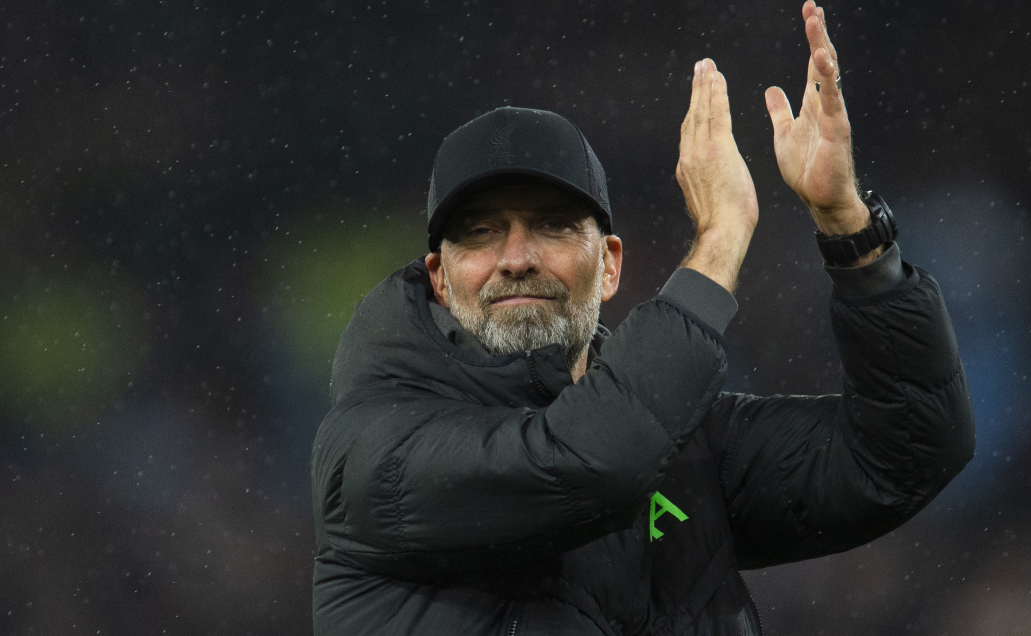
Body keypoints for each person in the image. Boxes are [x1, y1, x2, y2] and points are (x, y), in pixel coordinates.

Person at [310, 2, 975, 634]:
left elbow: (907, 453)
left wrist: (850, 229)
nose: (516, 258)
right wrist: (720, 238)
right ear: (438, 277)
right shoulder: (372, 448)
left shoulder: (684, 443)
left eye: (552, 226)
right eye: (481, 233)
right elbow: (589, 464)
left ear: (610, 266)